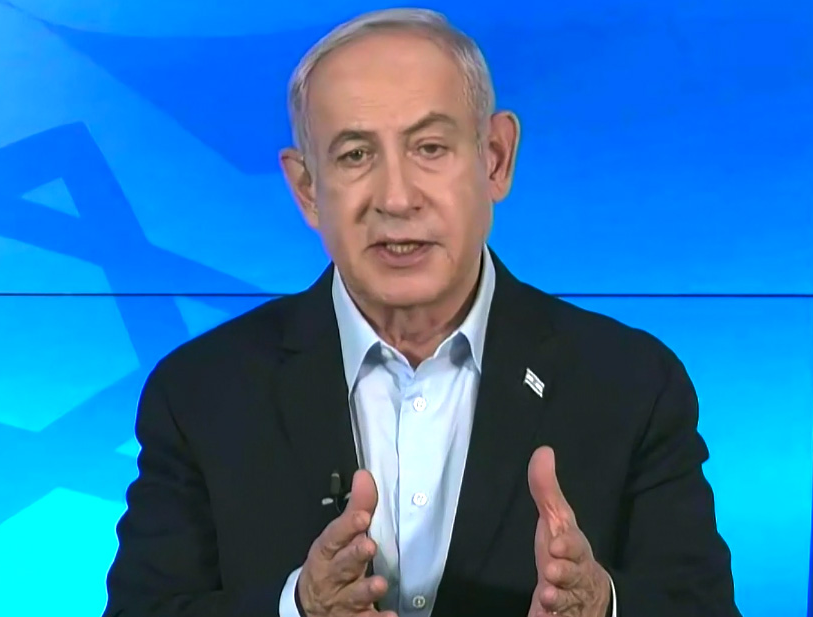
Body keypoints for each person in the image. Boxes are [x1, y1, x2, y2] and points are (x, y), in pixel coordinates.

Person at [103, 8, 741, 617]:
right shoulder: (201, 393)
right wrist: (298, 608)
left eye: (430, 148)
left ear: (496, 158)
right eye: (355, 155)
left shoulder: (630, 383)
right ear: (307, 188)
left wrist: (601, 607)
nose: (397, 197)